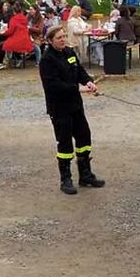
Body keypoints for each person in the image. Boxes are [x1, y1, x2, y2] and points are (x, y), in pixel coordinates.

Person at [38, 25, 104, 195]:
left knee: (84, 137)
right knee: (65, 142)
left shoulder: (69, 52)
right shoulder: (47, 60)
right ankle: (65, 179)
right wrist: (77, 89)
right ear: (50, 40)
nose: (63, 40)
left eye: (64, 36)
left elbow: (79, 71)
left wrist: (88, 81)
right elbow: (53, 85)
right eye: (59, 37)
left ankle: (85, 174)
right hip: (59, 107)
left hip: (75, 105)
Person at [0, 3, 34, 70]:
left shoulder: (13, 19)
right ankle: (17, 58)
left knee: (6, 45)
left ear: (14, 12)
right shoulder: (24, 18)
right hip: (25, 38)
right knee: (10, 44)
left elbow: (10, 31)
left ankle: (6, 61)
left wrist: (3, 33)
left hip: (17, 38)